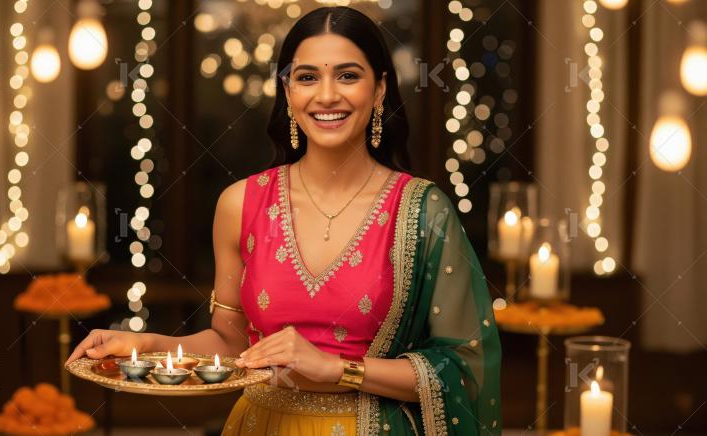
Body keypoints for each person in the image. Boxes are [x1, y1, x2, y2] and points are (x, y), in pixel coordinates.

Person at [66, 6, 501, 435]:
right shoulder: (241, 203)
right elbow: (232, 345)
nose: (326, 95)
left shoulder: (422, 210)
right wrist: (148, 345)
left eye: (348, 76)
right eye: (307, 77)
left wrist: (337, 368)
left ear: (380, 88)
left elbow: (465, 371)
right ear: (287, 90)